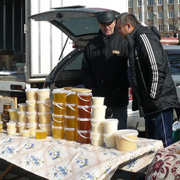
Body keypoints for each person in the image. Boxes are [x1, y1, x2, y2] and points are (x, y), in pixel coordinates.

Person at [116, 13, 180, 147]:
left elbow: (156, 68)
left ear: (128, 26)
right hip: (150, 105)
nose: (118, 32)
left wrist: (152, 96)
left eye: (119, 28)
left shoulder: (144, 37)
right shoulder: (134, 41)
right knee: (154, 145)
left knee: (162, 145)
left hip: (158, 104)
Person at [81, 11, 129, 129]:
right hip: (99, 98)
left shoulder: (123, 41)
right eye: (103, 25)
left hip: (118, 97)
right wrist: (91, 86)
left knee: (120, 130)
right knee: (100, 131)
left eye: (109, 24)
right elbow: (86, 68)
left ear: (114, 23)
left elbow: (129, 67)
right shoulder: (92, 45)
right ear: (99, 24)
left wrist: (122, 84)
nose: (107, 27)